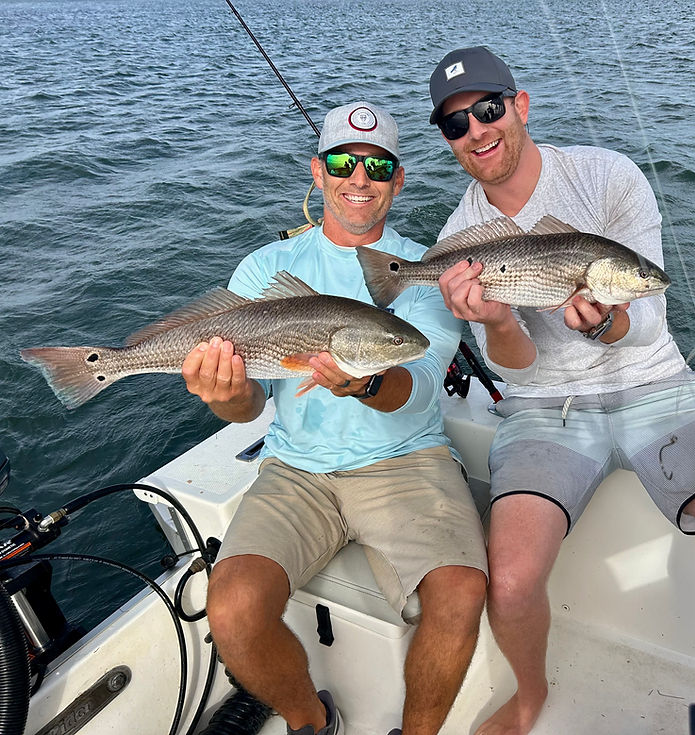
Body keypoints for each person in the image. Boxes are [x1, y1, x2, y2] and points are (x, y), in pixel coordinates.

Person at [427, 47, 695, 735]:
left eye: (487, 109)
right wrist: (499, 318)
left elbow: (649, 309)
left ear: (520, 105)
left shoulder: (607, 176)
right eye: (456, 125)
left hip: (657, 385)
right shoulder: (460, 238)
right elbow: (511, 367)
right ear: (447, 140)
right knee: (508, 582)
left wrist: (608, 323)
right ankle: (530, 697)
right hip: (544, 408)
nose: (477, 131)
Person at [181, 101, 488, 735]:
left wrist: (369, 382)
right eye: (344, 162)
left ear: (398, 181)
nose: (359, 179)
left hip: (406, 458)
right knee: (231, 605)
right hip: (296, 468)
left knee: (460, 592)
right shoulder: (267, 268)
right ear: (318, 172)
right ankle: (308, 720)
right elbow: (252, 407)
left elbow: (422, 385)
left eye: (377, 167)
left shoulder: (420, 269)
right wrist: (222, 394)